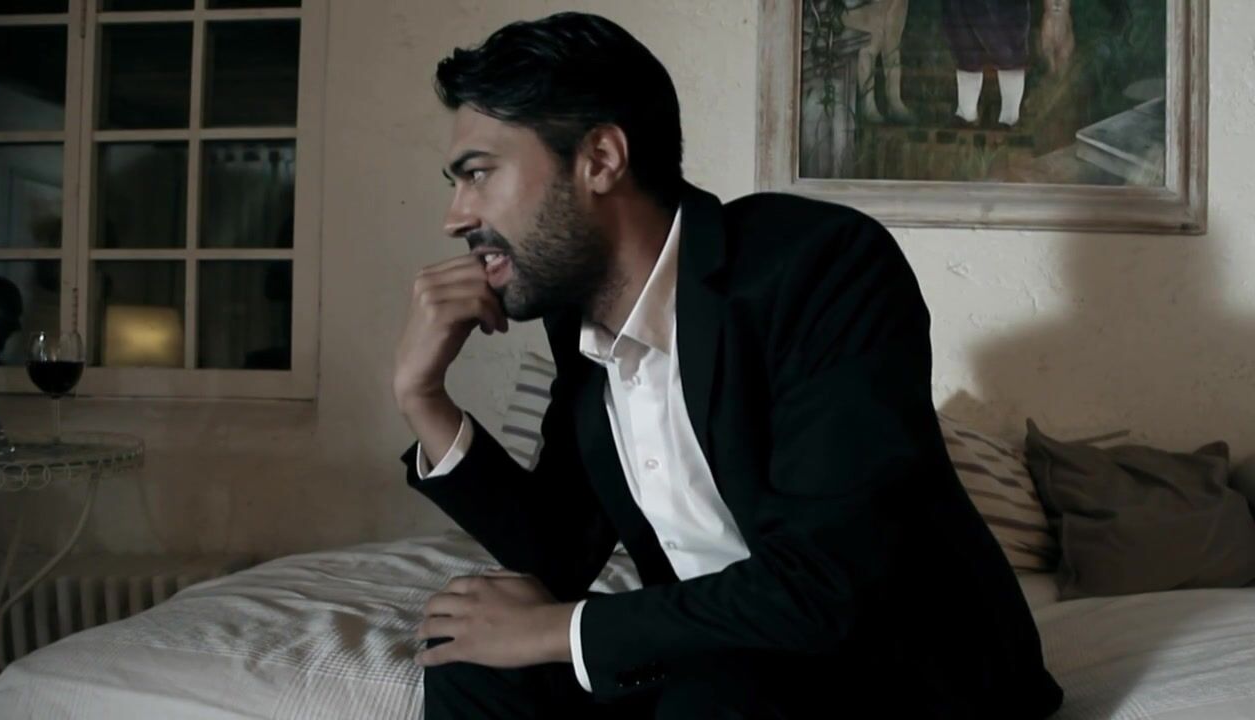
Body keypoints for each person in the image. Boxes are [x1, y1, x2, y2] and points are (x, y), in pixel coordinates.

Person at [394, 11, 1064, 719]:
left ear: (600, 159)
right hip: (716, 657)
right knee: (471, 664)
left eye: (478, 174)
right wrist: (423, 396)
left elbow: (830, 582)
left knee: (712, 697)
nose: (455, 217)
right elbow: (560, 554)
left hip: (890, 664)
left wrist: (558, 630)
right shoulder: (581, 321)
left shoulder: (819, 265)